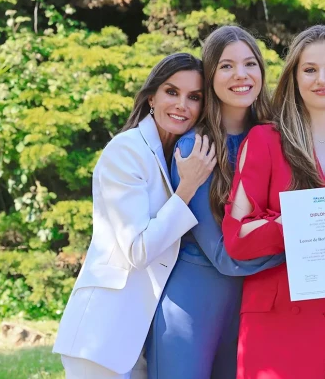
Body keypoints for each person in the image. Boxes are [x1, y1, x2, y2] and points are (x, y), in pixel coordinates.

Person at [146, 26, 325, 378]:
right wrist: (311, 228)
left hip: (303, 309)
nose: (240, 75)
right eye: (226, 66)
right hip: (207, 298)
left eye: (250, 64)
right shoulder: (208, 147)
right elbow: (229, 251)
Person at [222, 25, 325, 379]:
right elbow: (236, 238)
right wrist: (298, 221)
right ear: (294, 78)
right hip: (276, 322)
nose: (322, 79)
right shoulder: (265, 140)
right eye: (310, 69)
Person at [53, 53, 216, 378]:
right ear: (152, 97)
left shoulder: (179, 153)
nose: (182, 104)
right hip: (103, 337)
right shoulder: (126, 151)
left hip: (144, 339)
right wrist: (187, 188)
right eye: (172, 92)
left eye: (194, 97)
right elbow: (137, 250)